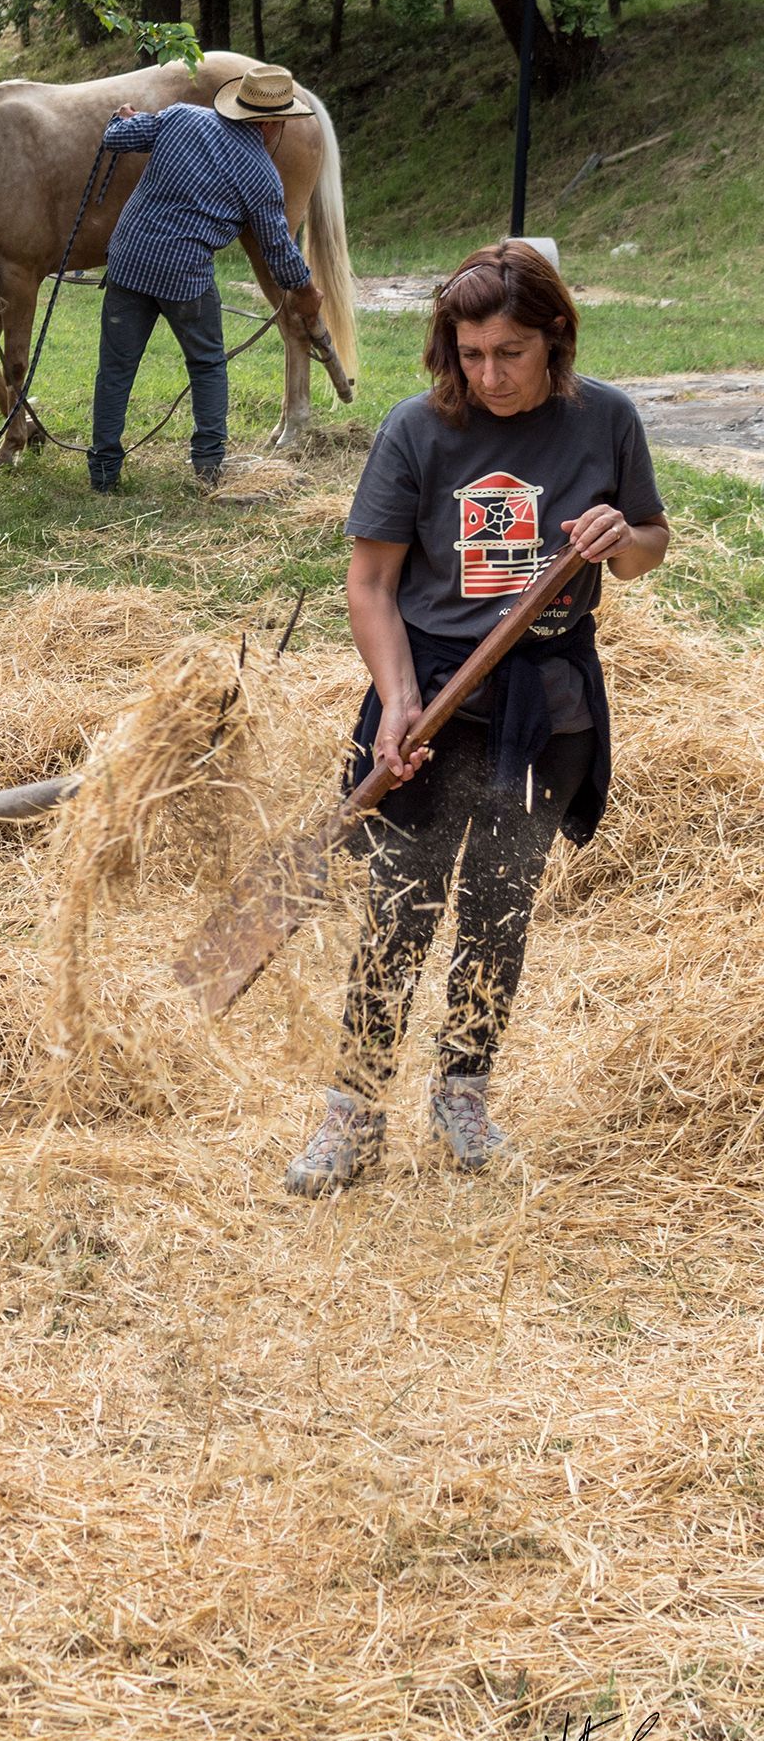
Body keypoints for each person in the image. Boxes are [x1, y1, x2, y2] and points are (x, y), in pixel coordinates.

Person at [284, 239, 669, 1199]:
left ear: (556, 340)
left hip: (546, 704)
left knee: (499, 905)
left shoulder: (607, 422)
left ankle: (463, 1096)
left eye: (510, 354)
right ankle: (355, 1114)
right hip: (432, 691)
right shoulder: (418, 432)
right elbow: (370, 583)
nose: (488, 376)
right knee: (398, 908)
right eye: (470, 354)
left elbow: (648, 545)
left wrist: (622, 541)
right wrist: (399, 699)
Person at [87, 63, 326, 493]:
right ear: (271, 123)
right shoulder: (260, 174)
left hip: (129, 260)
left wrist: (123, 117)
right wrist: (306, 290)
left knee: (115, 369)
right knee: (207, 364)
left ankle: (103, 472)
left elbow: (116, 138)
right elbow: (278, 250)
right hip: (186, 277)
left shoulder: (180, 116)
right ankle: (209, 466)